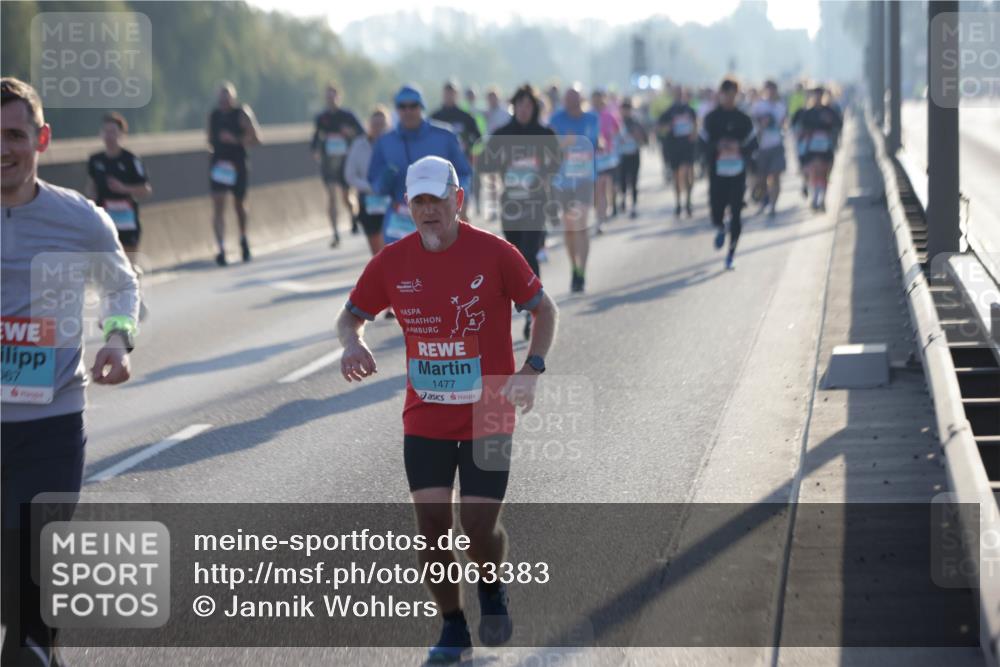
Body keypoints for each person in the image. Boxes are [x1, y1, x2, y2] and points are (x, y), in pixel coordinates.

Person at [336, 155, 559, 664]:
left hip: (490, 412)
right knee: (434, 527)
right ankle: (453, 626)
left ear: (458, 201)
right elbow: (349, 319)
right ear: (408, 207)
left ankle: (491, 583)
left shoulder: (496, 253)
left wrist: (532, 368)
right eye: (419, 201)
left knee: (477, 526)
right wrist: (352, 343)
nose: (429, 210)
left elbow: (543, 310)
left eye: (438, 200)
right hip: (427, 415)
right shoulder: (391, 262)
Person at [1, 77, 140, 667]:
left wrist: (117, 340)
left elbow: (121, 286)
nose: (3, 148)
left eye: (14, 135)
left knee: (26, 587)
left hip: (52, 424)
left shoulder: (78, 220)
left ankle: (34, 644)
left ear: (42, 139)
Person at [482, 84, 561, 340]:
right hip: (511, 203)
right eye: (520, 106)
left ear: (535, 108)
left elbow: (556, 164)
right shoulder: (502, 133)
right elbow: (488, 161)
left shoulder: (545, 133)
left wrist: (538, 173)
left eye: (529, 106)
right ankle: (523, 300)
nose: (524, 110)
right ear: (513, 107)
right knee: (514, 257)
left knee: (529, 253)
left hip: (537, 203)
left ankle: (533, 310)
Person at [368, 85, 472, 247]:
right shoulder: (385, 142)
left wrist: (460, 201)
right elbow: (374, 182)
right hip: (399, 218)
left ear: (421, 107)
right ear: (397, 110)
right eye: (402, 107)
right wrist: (384, 180)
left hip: (438, 215)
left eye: (413, 106)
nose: (408, 111)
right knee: (400, 269)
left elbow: (464, 173)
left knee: (442, 266)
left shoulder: (445, 136)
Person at [699, 78, 758, 270]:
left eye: (733, 94)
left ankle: (731, 254)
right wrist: (718, 146)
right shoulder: (711, 119)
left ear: (737, 95)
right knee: (716, 211)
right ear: (720, 94)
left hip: (738, 172)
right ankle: (719, 227)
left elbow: (753, 144)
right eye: (726, 94)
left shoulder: (744, 119)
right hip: (717, 172)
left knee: (736, 212)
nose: (729, 98)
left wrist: (738, 147)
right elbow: (701, 144)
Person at [548, 85, 600, 292]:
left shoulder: (592, 119)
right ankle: (574, 268)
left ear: (581, 100)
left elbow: (593, 144)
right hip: (563, 181)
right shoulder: (556, 120)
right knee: (569, 228)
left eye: (576, 100)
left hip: (585, 179)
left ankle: (582, 271)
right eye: (569, 100)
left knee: (582, 223)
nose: (572, 104)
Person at [86, 112, 152, 266]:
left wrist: (124, 188)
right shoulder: (95, 160)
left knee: (128, 266)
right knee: (108, 266)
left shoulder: (131, 159)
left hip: (127, 219)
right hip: (105, 218)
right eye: (106, 132)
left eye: (113, 132)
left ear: (122, 134)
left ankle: (134, 283)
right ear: (101, 134)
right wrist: (90, 200)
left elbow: (146, 190)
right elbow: (91, 186)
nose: (109, 136)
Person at [207, 81, 262, 266]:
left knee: (239, 205)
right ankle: (221, 248)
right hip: (219, 165)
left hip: (238, 164)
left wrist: (235, 139)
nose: (224, 100)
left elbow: (256, 138)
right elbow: (209, 139)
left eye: (227, 97)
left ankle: (243, 238)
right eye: (221, 97)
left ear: (233, 97)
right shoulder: (213, 116)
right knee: (218, 205)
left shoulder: (242, 113)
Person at [310, 84, 364, 247]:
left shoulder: (348, 116)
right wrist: (315, 150)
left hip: (345, 161)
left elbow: (362, 134)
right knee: (331, 196)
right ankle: (335, 233)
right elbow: (316, 137)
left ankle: (354, 215)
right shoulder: (321, 117)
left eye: (333, 96)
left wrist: (349, 133)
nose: (330, 100)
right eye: (328, 97)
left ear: (338, 97)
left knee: (346, 197)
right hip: (328, 162)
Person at [344, 106, 390, 257]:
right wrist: (369, 187)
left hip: (390, 199)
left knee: (391, 242)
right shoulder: (359, 145)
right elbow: (349, 174)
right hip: (367, 199)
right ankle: (382, 274)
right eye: (375, 124)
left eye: (381, 125)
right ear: (369, 125)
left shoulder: (393, 144)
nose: (378, 128)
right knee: (375, 245)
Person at [431, 82, 482, 217]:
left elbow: (478, 138)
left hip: (461, 168)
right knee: (441, 211)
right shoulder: (435, 117)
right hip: (440, 169)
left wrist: (469, 149)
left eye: (452, 94)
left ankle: (465, 237)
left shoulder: (465, 117)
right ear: (443, 94)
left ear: (456, 95)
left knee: (462, 208)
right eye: (447, 93)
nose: (449, 96)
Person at [801, 87, 843, 213]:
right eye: (816, 95)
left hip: (827, 146)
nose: (818, 98)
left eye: (820, 95)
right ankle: (815, 198)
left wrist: (829, 122)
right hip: (812, 146)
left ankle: (823, 199)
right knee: (814, 171)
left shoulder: (830, 111)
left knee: (825, 173)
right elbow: (802, 126)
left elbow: (839, 124)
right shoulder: (808, 112)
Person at [658, 87, 698, 217]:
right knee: (677, 176)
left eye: (681, 93)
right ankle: (678, 203)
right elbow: (659, 127)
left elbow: (696, 124)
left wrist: (694, 133)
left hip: (687, 146)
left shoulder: (690, 110)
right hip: (674, 146)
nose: (680, 96)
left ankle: (688, 201)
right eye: (677, 94)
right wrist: (668, 127)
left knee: (688, 173)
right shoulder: (669, 111)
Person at [750, 80, 787, 217]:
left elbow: (784, 124)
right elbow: (752, 122)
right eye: (768, 89)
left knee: (776, 176)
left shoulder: (780, 106)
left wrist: (780, 126)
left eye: (773, 89)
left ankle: (773, 205)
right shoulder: (759, 106)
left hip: (776, 145)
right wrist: (761, 124)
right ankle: (763, 199)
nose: (771, 92)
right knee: (761, 178)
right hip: (761, 146)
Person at [590, 89, 620, 229]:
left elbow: (617, 131)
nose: (597, 102)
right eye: (595, 99)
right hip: (593, 157)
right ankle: (600, 216)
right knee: (598, 188)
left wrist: (609, 140)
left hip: (608, 157)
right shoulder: (589, 116)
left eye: (599, 99)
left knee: (606, 186)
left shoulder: (609, 116)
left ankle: (604, 214)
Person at [616, 98, 648, 219]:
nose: (625, 112)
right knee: (622, 180)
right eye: (623, 109)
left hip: (634, 154)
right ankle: (623, 199)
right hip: (621, 156)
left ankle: (634, 205)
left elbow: (645, 140)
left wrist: (637, 136)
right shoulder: (617, 122)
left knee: (634, 180)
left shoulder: (636, 123)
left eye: (627, 109)